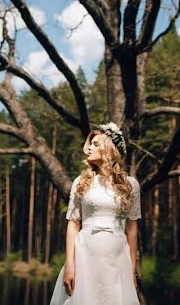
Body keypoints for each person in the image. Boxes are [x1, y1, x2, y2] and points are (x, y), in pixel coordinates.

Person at [48, 122, 141, 305]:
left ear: (110, 149)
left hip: (116, 257)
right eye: (90, 144)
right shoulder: (81, 182)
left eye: (96, 144)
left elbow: (131, 229)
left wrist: (132, 270)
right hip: (85, 254)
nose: (89, 148)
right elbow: (73, 224)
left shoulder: (131, 185)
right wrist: (69, 265)